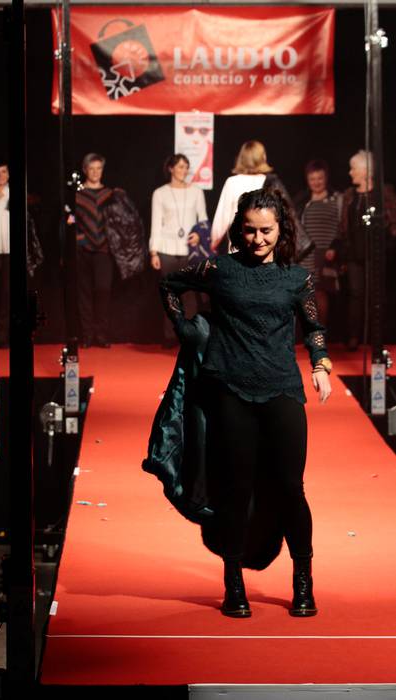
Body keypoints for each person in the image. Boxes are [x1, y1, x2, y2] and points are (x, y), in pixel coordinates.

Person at [159, 188, 332, 618]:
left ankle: (303, 580)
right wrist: (185, 329)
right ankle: (233, 583)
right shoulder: (219, 269)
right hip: (230, 391)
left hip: (282, 390)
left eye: (266, 231)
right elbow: (170, 284)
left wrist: (320, 363)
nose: (258, 239)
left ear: (281, 229)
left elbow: (313, 325)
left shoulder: (297, 278)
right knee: (234, 490)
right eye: (250, 230)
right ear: (240, 229)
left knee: (291, 489)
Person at [75, 153, 146, 348]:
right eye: (92, 168)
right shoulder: (77, 195)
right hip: (82, 250)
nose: (95, 172)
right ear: (85, 170)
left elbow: (125, 222)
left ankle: (101, 335)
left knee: (103, 291)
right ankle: (87, 335)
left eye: (99, 168)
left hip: (105, 250)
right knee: (84, 294)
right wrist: (79, 238)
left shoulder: (111, 194)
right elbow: (70, 221)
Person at [211, 140, 312, 260]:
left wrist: (213, 244)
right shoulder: (272, 183)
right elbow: (286, 217)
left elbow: (221, 221)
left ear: (241, 158)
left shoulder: (232, 183)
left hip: (240, 251)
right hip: (266, 252)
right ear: (263, 157)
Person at [0, 161, 43, 348]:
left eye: (3, 172)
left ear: (8, 174)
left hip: (11, 254)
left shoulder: (17, 195)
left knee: (7, 296)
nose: (0, 176)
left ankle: (1, 337)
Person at [337, 150, 396, 351]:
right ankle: (354, 336)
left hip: (377, 253)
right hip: (354, 253)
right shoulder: (349, 195)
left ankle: (376, 338)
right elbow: (343, 225)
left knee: (376, 295)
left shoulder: (383, 193)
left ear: (364, 170)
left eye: (353, 168)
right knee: (355, 294)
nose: (350, 172)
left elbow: (392, 221)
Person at [149, 153, 207, 346]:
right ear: (171, 168)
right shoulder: (160, 193)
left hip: (189, 251)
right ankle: (170, 336)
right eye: (180, 166)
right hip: (166, 250)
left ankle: (190, 336)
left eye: (186, 167)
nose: (184, 170)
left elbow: (203, 220)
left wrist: (199, 234)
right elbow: (156, 224)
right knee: (170, 294)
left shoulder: (196, 192)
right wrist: (154, 252)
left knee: (190, 296)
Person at [294, 159, 342, 326]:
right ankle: (307, 333)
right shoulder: (302, 201)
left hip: (326, 255)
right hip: (306, 255)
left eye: (320, 178)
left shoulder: (336, 199)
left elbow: (341, 227)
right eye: (312, 179)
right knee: (306, 295)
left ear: (326, 178)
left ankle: (320, 334)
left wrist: (335, 247)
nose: (316, 182)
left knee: (321, 294)